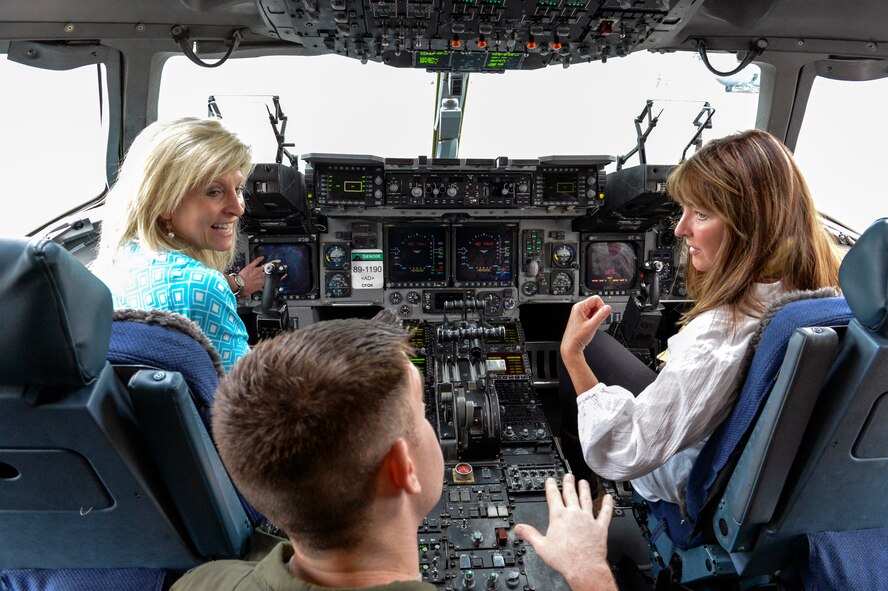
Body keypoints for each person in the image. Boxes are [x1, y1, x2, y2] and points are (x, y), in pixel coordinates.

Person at [172, 315, 617, 591]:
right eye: (423, 415)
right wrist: (587, 571)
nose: (432, 424)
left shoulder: (200, 582)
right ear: (402, 468)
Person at [559, 129, 842, 504]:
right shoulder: (826, 287)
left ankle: (588, 493)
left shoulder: (719, 338)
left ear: (750, 227)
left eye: (702, 214)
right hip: (769, 474)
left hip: (688, 474)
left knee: (587, 344)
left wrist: (572, 355)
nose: (679, 229)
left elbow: (622, 450)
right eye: (684, 210)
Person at [92, 117, 267, 371]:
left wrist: (236, 284)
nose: (238, 208)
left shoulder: (107, 268)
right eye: (214, 191)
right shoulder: (204, 287)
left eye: (238, 189)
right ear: (164, 202)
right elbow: (243, 401)